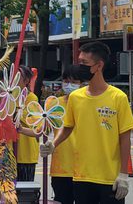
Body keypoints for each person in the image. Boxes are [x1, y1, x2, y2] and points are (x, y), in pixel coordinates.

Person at [49, 42, 133, 204]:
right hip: (81, 176)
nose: (79, 67)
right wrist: (53, 144)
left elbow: (125, 139)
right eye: (79, 62)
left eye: (84, 63)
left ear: (99, 65)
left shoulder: (118, 97)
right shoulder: (76, 97)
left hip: (109, 177)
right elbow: (68, 127)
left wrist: (123, 174)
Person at [41, 64, 87, 204]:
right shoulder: (54, 104)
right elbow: (42, 130)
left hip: (85, 168)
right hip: (61, 168)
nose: (69, 85)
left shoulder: (89, 104)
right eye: (66, 81)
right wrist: (19, 128)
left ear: (82, 84)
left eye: (74, 82)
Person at [15, 65, 40, 182]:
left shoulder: (31, 98)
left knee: (24, 190)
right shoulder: (8, 97)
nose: (13, 80)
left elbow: (36, 126)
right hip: (9, 153)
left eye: (17, 77)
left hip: (25, 154)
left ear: (26, 81)